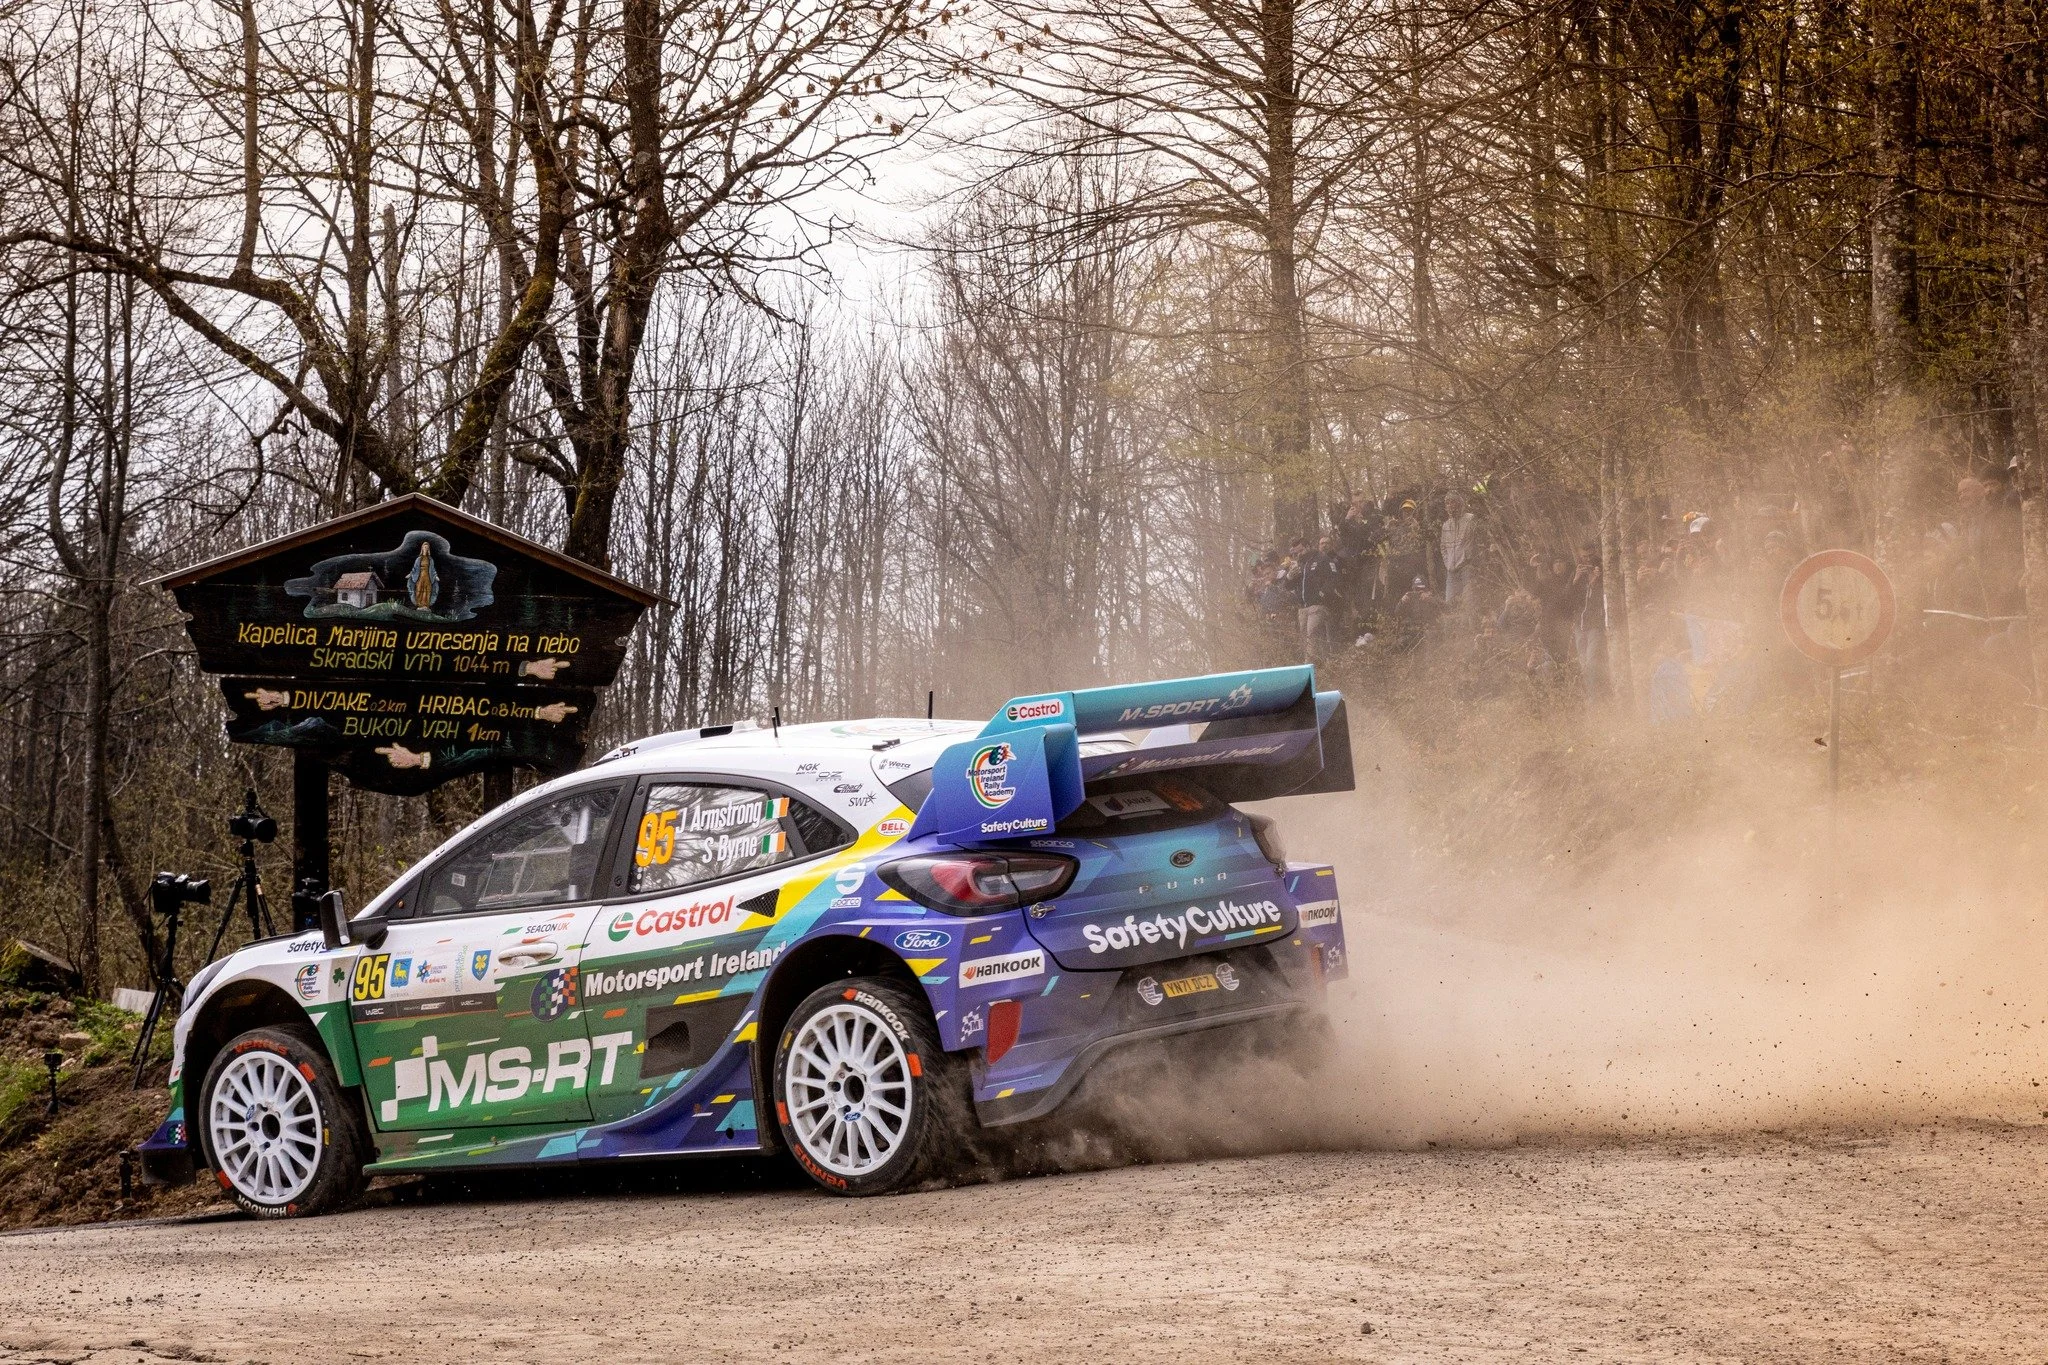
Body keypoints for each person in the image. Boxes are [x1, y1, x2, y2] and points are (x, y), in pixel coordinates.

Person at [1297, 534, 1347, 659]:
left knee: (1320, 634)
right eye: (1322, 543)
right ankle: (1319, 661)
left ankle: (1325, 661)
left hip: (1329, 603)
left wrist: (1322, 593)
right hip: (1307, 604)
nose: (1324, 545)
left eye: (1327, 543)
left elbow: (1334, 579)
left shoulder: (1331, 559)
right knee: (1309, 637)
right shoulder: (1305, 562)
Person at [1440, 492, 1479, 606]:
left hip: (1467, 567)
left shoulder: (1470, 519)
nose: (1450, 505)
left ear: (1459, 503)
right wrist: (1447, 563)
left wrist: (1470, 559)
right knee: (1449, 605)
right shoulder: (1446, 525)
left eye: (1453, 502)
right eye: (1447, 503)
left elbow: (1478, 540)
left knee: (1469, 603)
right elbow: (1443, 547)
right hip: (1451, 571)